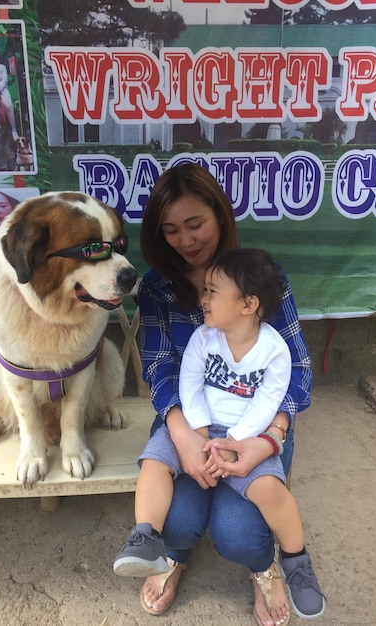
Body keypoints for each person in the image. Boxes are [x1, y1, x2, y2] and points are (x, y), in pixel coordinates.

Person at [112, 163, 315, 626]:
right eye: (170, 231)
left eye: (194, 224)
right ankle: (172, 555)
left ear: (220, 216)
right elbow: (161, 368)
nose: (185, 240)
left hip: (255, 427)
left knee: (239, 533)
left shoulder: (262, 277)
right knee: (177, 521)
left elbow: (296, 370)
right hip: (190, 422)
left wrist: (267, 440)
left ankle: (266, 567)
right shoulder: (160, 289)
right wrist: (182, 434)